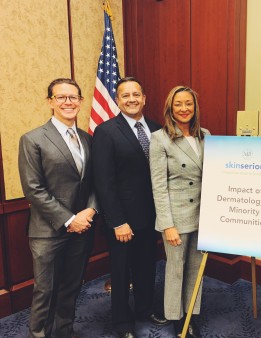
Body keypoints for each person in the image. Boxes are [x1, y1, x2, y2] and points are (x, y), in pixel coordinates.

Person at [18, 78, 97, 338]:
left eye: (73, 97)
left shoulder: (87, 139)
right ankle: (38, 334)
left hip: (81, 229)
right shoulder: (33, 139)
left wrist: (91, 210)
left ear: (81, 101)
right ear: (50, 102)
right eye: (61, 97)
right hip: (47, 231)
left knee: (71, 287)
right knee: (45, 291)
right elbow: (34, 189)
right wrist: (68, 219)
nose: (68, 102)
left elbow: (96, 182)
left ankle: (64, 332)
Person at [92, 77, 168, 338]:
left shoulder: (158, 129)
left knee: (148, 267)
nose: (132, 99)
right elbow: (104, 181)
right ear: (117, 100)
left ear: (144, 98)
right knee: (122, 272)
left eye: (136, 94)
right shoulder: (106, 131)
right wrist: (116, 221)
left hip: (152, 217)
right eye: (126, 95)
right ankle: (122, 323)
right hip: (122, 220)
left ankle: (145, 310)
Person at [150, 86, 210, 338]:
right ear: (170, 108)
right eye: (178, 104)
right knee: (175, 269)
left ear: (195, 107)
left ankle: (191, 315)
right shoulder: (160, 138)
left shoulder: (205, 135)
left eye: (189, 104)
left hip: (203, 214)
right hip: (176, 216)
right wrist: (167, 224)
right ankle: (176, 318)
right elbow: (159, 186)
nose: (184, 109)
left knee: (196, 268)